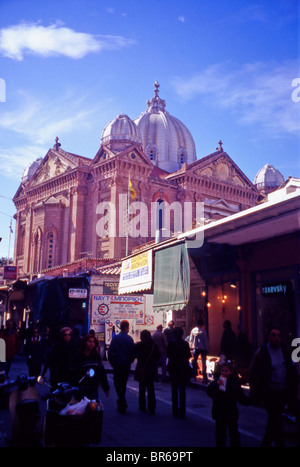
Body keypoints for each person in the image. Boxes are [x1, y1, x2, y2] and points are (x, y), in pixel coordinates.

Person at [249, 326, 296, 447]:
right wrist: (256, 392)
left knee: (274, 421)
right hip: (269, 392)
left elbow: (291, 371)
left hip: (282, 392)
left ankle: (268, 443)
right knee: (275, 419)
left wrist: (291, 390)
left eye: (278, 335)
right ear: (268, 337)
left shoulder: (285, 352)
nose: (276, 338)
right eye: (273, 335)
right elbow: (254, 373)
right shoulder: (262, 353)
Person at [207, 361, 249, 447]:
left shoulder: (234, 382)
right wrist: (217, 386)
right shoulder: (217, 381)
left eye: (226, 371)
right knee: (220, 434)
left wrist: (251, 400)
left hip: (231, 412)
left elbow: (239, 396)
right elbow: (210, 392)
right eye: (222, 370)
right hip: (219, 412)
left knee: (233, 433)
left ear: (231, 372)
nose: (223, 373)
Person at [70, 333, 109, 400]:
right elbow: (73, 373)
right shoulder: (78, 357)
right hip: (81, 388)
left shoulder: (96, 357)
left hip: (93, 387)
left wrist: (106, 387)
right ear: (85, 343)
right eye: (89, 341)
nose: (91, 344)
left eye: (93, 342)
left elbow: (102, 373)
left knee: (93, 407)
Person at [108, 320, 135, 414]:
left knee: (117, 383)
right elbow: (133, 353)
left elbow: (110, 352)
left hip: (117, 365)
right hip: (126, 365)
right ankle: (122, 400)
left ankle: (121, 400)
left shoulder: (115, 338)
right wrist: (129, 362)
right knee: (123, 383)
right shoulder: (129, 339)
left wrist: (112, 363)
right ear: (127, 328)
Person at [167, 326, 192, 419]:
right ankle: (182, 411)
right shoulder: (185, 344)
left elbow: (168, 355)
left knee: (174, 390)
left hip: (173, 369)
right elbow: (188, 356)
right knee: (182, 391)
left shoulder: (171, 344)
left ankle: (175, 411)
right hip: (183, 369)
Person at [135, 330, 160, 414]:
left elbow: (135, 355)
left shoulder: (139, 345)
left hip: (142, 368)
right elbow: (158, 357)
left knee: (142, 388)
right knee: (150, 388)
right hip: (151, 369)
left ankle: (142, 405)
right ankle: (151, 406)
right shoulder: (154, 346)